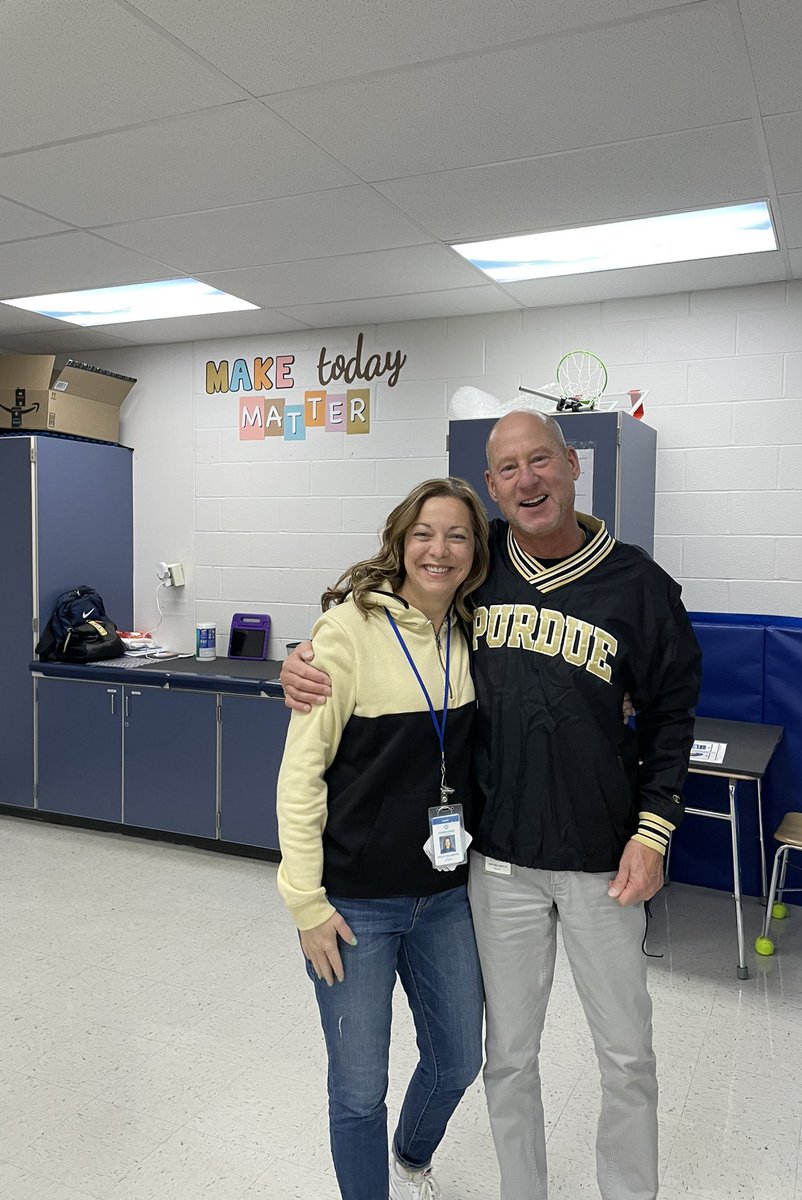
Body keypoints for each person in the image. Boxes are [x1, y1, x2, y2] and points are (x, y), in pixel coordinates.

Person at [282, 411, 702, 1200]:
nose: (527, 481)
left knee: (626, 1055)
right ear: (492, 487)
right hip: (495, 863)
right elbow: (382, 611)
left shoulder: (640, 585)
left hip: (604, 862)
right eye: (507, 470)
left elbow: (674, 714)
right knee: (508, 1056)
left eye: (539, 460)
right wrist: (301, 660)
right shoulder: (479, 573)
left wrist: (655, 829)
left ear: (572, 464)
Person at [276, 477, 491, 1200]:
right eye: (424, 533)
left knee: (459, 1057)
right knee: (359, 1087)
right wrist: (304, 902)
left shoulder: (473, 631)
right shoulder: (345, 634)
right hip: (354, 906)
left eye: (457, 535)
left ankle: (413, 1153)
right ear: (400, 542)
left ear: (474, 552)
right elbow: (301, 776)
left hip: (446, 896)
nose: (439, 549)